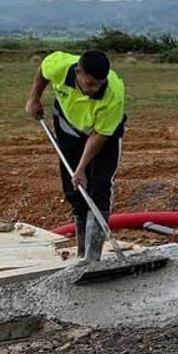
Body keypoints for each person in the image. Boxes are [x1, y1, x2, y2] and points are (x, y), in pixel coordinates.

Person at [25, 50, 126, 264]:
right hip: (68, 126)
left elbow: (99, 136)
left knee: (98, 187)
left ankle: (92, 258)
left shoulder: (114, 92)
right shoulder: (60, 64)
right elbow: (43, 70)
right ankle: (81, 252)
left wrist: (81, 168)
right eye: (89, 84)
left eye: (99, 85)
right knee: (74, 189)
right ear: (78, 72)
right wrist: (34, 98)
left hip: (102, 134)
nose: (94, 90)